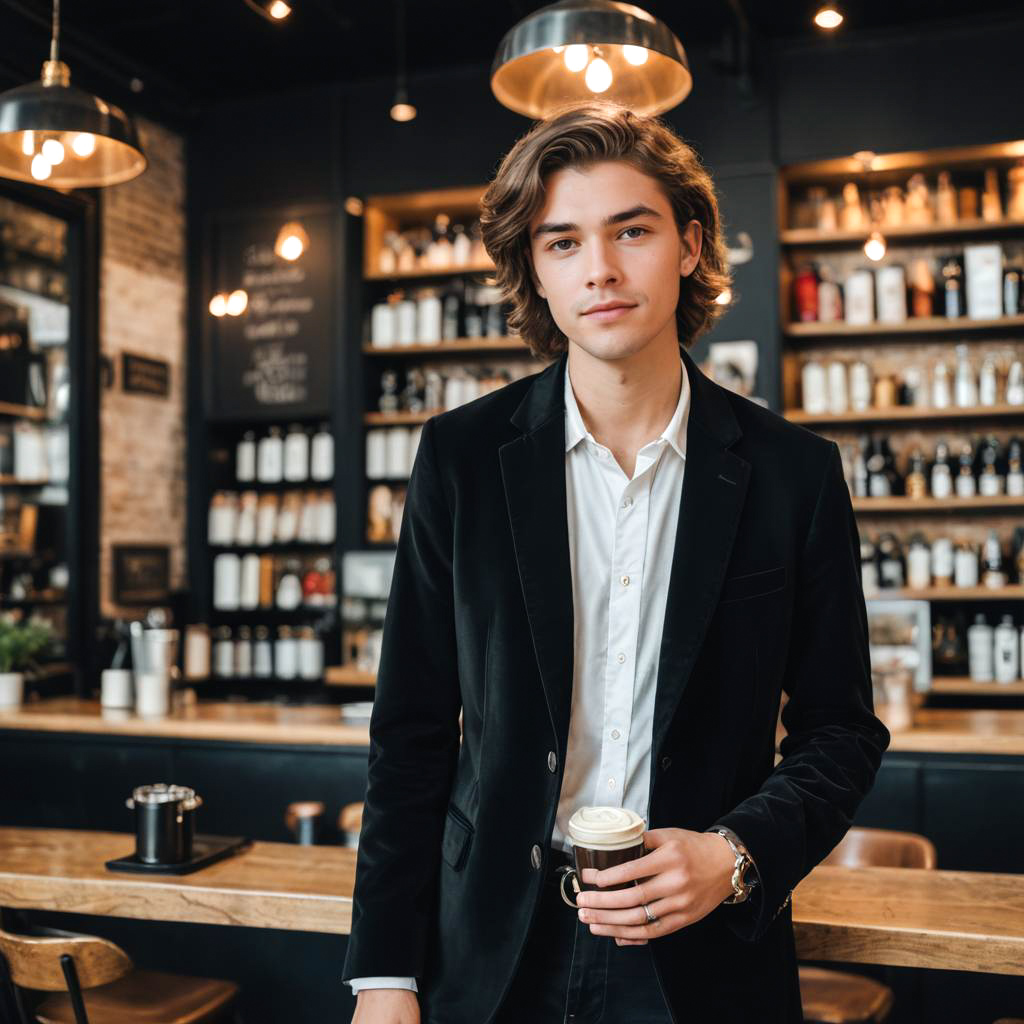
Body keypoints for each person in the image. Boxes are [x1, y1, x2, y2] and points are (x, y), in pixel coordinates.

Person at [343, 102, 889, 1024]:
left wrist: (736, 854)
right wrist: (386, 975)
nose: (598, 269)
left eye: (630, 230)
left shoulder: (795, 472)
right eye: (561, 244)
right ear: (536, 275)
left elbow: (841, 729)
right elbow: (412, 734)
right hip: (490, 951)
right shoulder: (461, 459)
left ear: (689, 243)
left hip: (706, 956)